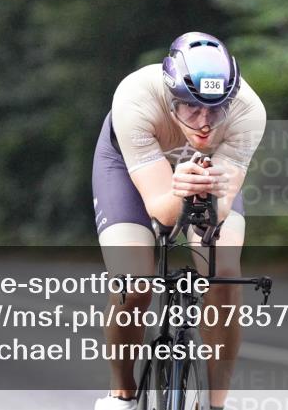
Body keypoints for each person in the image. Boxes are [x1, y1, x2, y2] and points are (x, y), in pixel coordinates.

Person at [92, 32, 266, 410]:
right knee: (134, 281)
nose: (204, 123)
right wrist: (177, 191)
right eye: (191, 108)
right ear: (171, 99)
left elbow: (217, 215)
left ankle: (216, 403)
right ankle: (121, 394)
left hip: (206, 176)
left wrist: (204, 191)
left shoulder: (249, 111)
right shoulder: (135, 96)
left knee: (224, 273)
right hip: (128, 169)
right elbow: (162, 210)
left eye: (216, 109)